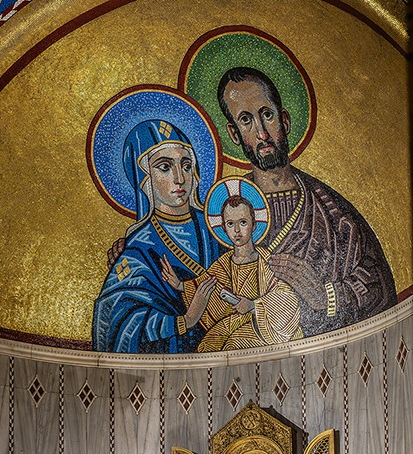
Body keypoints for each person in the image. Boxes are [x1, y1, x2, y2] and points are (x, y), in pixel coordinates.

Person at [217, 67, 396, 335]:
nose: (262, 133)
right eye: (246, 121)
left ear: (285, 121)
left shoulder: (333, 212)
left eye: (267, 115)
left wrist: (327, 296)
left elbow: (379, 284)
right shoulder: (224, 213)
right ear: (234, 134)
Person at [92, 119, 223, 353]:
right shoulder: (138, 248)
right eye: (165, 167)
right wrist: (185, 320)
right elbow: (116, 318)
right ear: (145, 177)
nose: (179, 178)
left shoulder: (218, 229)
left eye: (186, 166)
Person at [161, 194, 302, 351]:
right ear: (224, 228)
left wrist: (253, 306)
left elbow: (287, 299)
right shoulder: (223, 263)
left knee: (234, 345)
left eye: (243, 222)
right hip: (234, 322)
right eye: (230, 224)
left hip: (264, 327)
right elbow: (206, 285)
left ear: (254, 225)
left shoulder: (267, 262)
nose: (236, 230)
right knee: (207, 347)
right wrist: (180, 285)